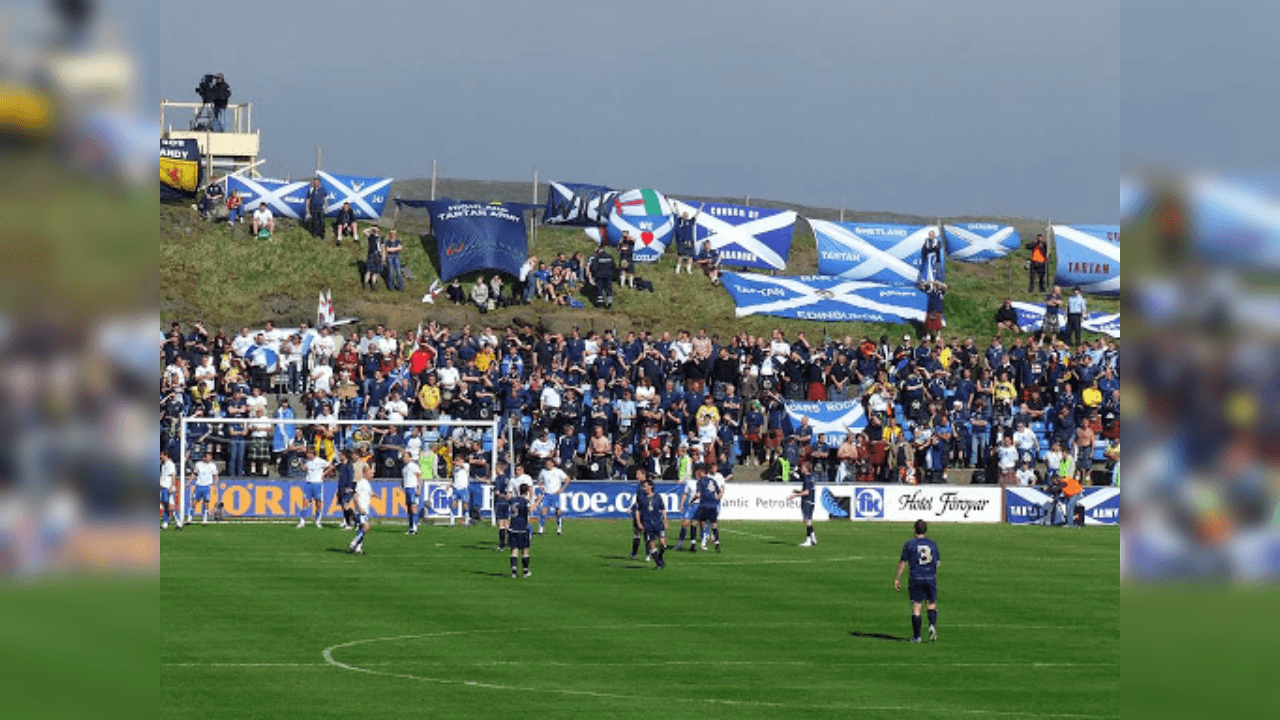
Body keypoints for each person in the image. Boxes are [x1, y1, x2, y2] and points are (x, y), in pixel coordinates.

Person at [894, 519, 940, 643]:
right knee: (931, 604)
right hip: (930, 577)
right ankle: (932, 625)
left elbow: (902, 563)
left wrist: (898, 578)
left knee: (917, 606)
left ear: (914, 530)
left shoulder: (910, 544)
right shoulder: (933, 544)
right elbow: (938, 563)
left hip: (916, 578)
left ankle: (917, 636)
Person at [634, 477, 669, 570]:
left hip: (657, 522)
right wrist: (638, 522)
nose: (644, 488)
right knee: (651, 544)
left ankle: (660, 556)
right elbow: (637, 510)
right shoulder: (641, 498)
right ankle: (659, 563)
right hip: (647, 523)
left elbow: (663, 509)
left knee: (663, 543)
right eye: (643, 487)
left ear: (650, 486)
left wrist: (665, 520)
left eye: (645, 486)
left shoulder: (657, 497)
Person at [691, 464, 722, 553]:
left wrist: (692, 501)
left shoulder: (700, 482)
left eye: (699, 472)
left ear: (703, 472)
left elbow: (698, 494)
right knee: (714, 524)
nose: (698, 473)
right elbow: (719, 493)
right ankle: (717, 542)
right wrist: (715, 500)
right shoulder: (712, 480)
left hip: (704, 505)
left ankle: (693, 543)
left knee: (694, 522)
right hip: (713, 505)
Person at [298, 447, 331, 529]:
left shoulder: (320, 461)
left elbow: (331, 466)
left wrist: (324, 474)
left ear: (313, 454)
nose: (307, 455)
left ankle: (318, 521)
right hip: (309, 483)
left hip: (317, 484)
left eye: (309, 453)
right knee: (305, 502)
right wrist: (301, 465)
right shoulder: (308, 462)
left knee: (318, 503)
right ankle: (302, 521)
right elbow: (305, 468)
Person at [537, 457, 569, 535]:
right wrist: (541, 487)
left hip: (555, 494)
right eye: (547, 463)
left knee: (558, 511)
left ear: (553, 464)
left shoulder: (558, 471)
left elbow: (567, 479)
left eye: (549, 463)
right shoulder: (543, 471)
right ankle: (541, 527)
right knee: (543, 510)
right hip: (547, 494)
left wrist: (562, 488)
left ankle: (559, 527)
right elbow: (539, 480)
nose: (548, 465)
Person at [791, 458, 818, 546]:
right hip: (811, 501)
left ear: (806, 468)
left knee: (807, 520)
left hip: (807, 501)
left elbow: (807, 492)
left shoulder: (807, 478)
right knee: (808, 519)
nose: (801, 469)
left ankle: (808, 539)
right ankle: (813, 536)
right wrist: (798, 492)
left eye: (802, 467)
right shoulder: (811, 477)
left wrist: (795, 495)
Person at [508, 483, 533, 578]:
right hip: (522, 527)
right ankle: (525, 571)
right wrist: (538, 500)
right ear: (527, 491)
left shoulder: (513, 500)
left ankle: (514, 571)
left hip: (513, 526)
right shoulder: (525, 501)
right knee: (525, 550)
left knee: (514, 550)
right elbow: (531, 509)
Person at [348, 463, 373, 555]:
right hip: (361, 510)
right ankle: (354, 543)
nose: (372, 475)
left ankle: (358, 548)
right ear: (365, 473)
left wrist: (374, 495)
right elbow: (355, 495)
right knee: (366, 526)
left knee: (361, 529)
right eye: (371, 473)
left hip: (365, 509)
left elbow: (368, 493)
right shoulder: (361, 482)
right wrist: (359, 507)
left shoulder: (367, 484)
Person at [191, 451, 218, 525]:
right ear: (204, 457)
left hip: (207, 486)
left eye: (210, 457)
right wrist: (188, 482)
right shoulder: (198, 464)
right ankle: (190, 518)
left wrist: (215, 485)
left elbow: (215, 475)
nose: (210, 458)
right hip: (199, 485)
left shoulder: (212, 465)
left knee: (206, 503)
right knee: (194, 503)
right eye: (208, 457)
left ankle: (205, 519)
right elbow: (194, 473)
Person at [587, 244, 617, 308]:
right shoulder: (610, 257)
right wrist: (612, 274)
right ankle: (609, 302)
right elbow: (613, 266)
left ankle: (600, 303)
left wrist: (594, 275)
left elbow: (594, 267)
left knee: (599, 289)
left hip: (599, 275)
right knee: (608, 288)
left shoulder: (597, 258)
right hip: (609, 275)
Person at [493, 461, 513, 549]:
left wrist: (501, 495)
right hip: (507, 502)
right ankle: (511, 543)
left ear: (499, 468)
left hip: (500, 502)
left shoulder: (498, 479)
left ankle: (502, 545)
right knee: (507, 524)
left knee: (501, 524)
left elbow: (497, 492)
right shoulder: (508, 478)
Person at [402, 448, 422, 535]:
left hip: (413, 488)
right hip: (407, 488)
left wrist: (419, 488)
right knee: (409, 508)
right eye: (403, 457)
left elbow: (419, 477)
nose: (404, 458)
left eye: (405, 457)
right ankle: (410, 527)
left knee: (414, 507)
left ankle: (415, 527)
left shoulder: (414, 466)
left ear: (410, 458)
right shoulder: (404, 468)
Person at [336, 448, 357, 530]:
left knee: (346, 505)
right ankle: (347, 523)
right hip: (341, 487)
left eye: (341, 455)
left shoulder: (349, 465)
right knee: (343, 505)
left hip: (346, 488)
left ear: (345, 456)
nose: (339, 456)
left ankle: (357, 521)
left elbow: (350, 477)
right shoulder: (341, 465)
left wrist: (349, 487)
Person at [674, 207, 699, 274]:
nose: (686, 215)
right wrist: (675, 206)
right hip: (682, 240)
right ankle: (678, 268)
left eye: (686, 214)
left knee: (690, 256)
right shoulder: (681, 221)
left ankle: (688, 269)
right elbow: (678, 213)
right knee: (681, 255)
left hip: (690, 241)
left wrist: (701, 206)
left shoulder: (691, 221)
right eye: (684, 214)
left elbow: (696, 214)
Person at [449, 451, 470, 527]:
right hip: (456, 487)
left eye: (459, 460)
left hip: (463, 488)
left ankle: (466, 520)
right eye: (457, 460)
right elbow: (454, 478)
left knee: (465, 504)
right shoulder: (455, 469)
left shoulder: (466, 465)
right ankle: (452, 521)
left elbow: (462, 466)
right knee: (454, 504)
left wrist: (455, 463)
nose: (457, 461)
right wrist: (450, 484)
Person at [160, 450, 180, 530]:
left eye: (161, 455)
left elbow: (173, 475)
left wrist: (172, 486)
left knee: (170, 506)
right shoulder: (164, 465)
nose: (160, 457)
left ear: (166, 455)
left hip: (168, 487)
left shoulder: (171, 464)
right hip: (164, 487)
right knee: (165, 505)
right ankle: (165, 523)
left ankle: (178, 522)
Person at [363, 225, 385, 290]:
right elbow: (364, 231)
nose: (375, 229)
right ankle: (365, 283)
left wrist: (383, 256)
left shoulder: (381, 238)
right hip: (371, 254)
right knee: (369, 270)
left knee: (376, 271)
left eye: (377, 228)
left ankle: (373, 283)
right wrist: (371, 228)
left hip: (378, 255)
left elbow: (383, 247)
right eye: (374, 228)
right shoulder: (370, 236)